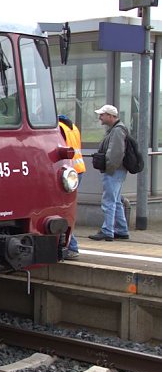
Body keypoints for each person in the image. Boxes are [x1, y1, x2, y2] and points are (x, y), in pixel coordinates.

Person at [88, 104, 130, 241]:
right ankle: (121, 229)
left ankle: (107, 231)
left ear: (111, 116)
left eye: (102, 115)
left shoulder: (117, 131)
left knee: (109, 201)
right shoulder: (116, 129)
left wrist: (109, 168)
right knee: (116, 201)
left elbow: (116, 153)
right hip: (118, 170)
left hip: (114, 170)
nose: (100, 117)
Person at [58, 114, 86, 259]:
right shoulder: (72, 126)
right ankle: (70, 246)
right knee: (68, 207)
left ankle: (72, 247)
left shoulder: (59, 128)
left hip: (66, 172)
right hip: (77, 170)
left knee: (62, 209)